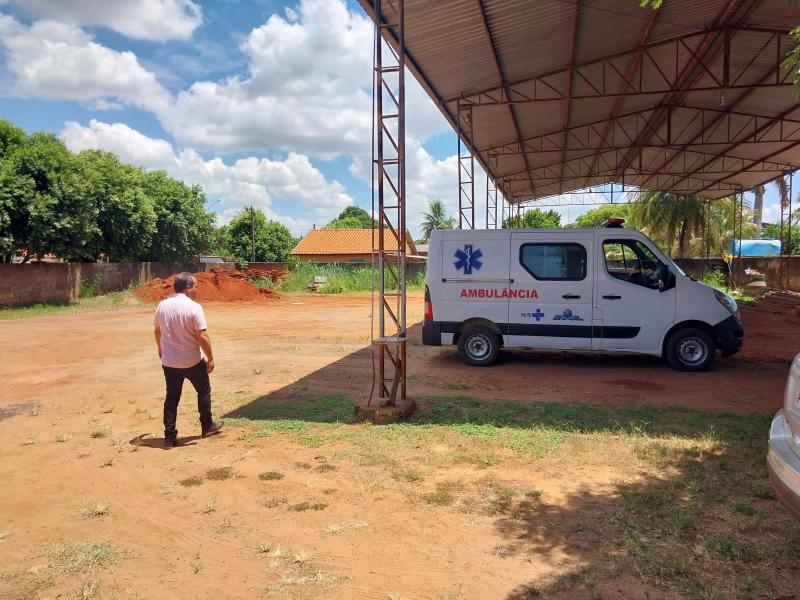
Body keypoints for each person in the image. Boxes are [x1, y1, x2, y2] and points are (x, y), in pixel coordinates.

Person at [154, 272, 223, 447]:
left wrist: (161, 349)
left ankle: (169, 436)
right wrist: (211, 358)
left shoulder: (162, 306)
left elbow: (157, 331)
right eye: (195, 286)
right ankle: (207, 426)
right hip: (191, 360)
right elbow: (202, 336)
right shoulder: (194, 307)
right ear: (188, 288)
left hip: (169, 361)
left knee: (172, 397)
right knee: (203, 390)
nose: (197, 290)